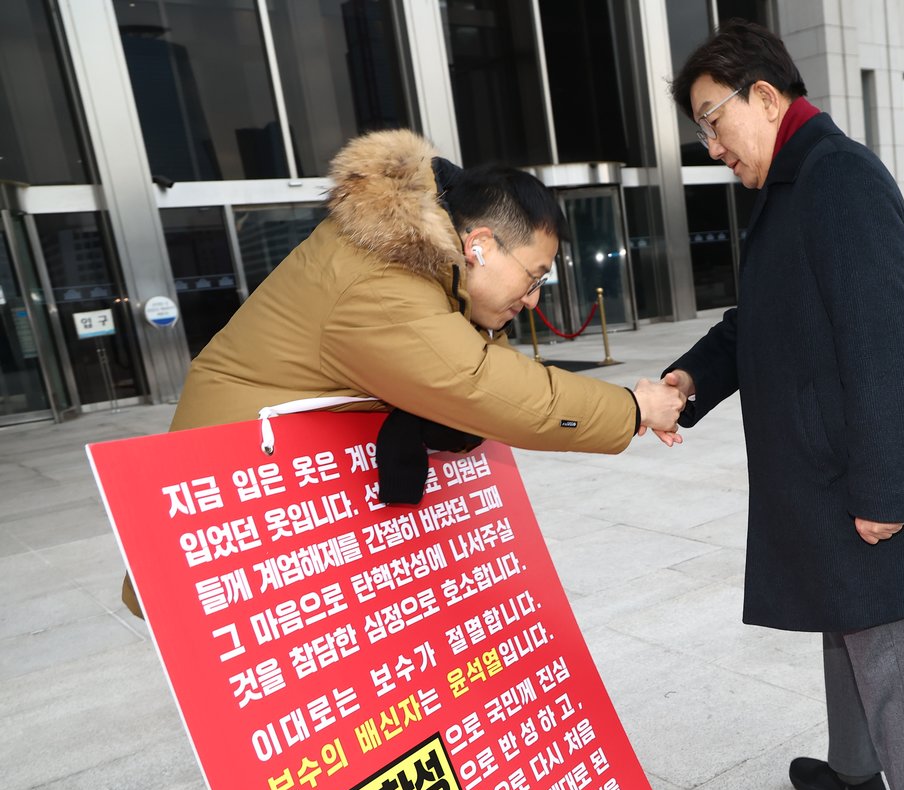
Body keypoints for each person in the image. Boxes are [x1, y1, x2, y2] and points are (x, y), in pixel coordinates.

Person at [659, 20, 904, 790]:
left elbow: (888, 346)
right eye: (702, 132)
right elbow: (757, 319)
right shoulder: (796, 182)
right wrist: (691, 380)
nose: (712, 147)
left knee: (898, 672)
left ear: (767, 97)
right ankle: (855, 775)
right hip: (830, 477)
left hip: (869, 481)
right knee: (846, 633)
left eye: (715, 122)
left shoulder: (840, 181)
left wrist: (887, 494)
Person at [121, 129, 684, 616]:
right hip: (233, 517)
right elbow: (478, 384)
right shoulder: (380, 282)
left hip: (279, 504)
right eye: (533, 277)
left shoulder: (412, 264)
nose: (534, 300)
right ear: (481, 245)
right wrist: (631, 409)